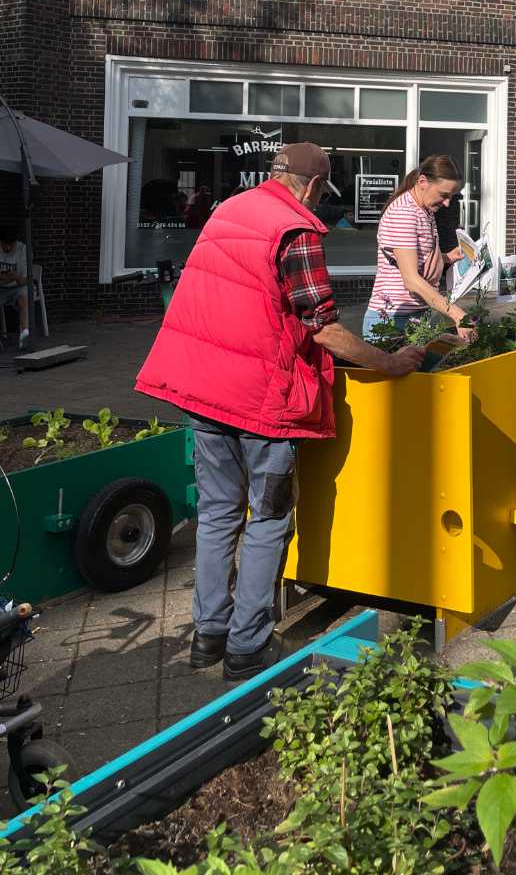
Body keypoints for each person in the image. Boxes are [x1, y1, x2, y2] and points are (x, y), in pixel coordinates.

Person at [136, 142, 424, 682]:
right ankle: (247, 647)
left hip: (203, 387)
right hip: (260, 399)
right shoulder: (297, 230)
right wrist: (387, 362)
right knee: (267, 518)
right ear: (315, 186)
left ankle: (209, 635)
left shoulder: (227, 211)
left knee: (219, 512)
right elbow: (325, 328)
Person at [363, 155, 471, 340]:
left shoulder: (424, 210)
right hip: (392, 320)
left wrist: (446, 258)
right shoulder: (404, 213)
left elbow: (411, 257)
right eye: (444, 195)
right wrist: (457, 314)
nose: (446, 203)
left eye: (451, 197)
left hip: (415, 317)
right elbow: (411, 280)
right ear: (422, 182)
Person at [0, 230, 29, 348]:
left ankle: (24, 336)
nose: (7, 247)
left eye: (10, 245)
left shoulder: (22, 249)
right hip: (1, 287)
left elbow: (24, 280)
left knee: (24, 297)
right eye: (4, 244)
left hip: (18, 287)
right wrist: (4, 278)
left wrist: (14, 276)